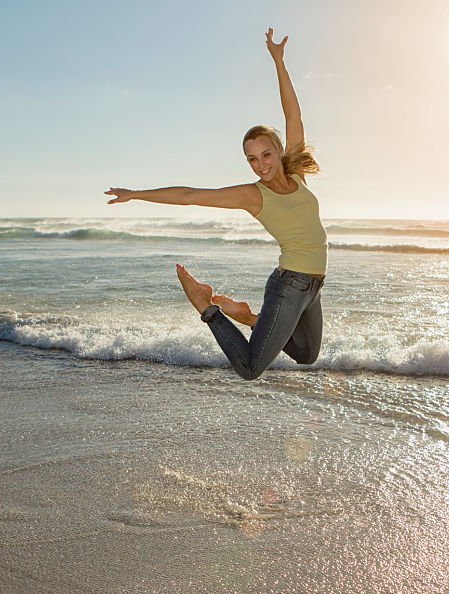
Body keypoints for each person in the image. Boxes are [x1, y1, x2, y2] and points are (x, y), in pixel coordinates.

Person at [105, 28, 327, 380]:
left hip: (313, 285)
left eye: (266, 154)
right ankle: (206, 306)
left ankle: (250, 317)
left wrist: (279, 62)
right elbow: (192, 196)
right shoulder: (253, 195)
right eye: (252, 159)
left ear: (279, 150)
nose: (261, 164)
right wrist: (137, 193)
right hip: (290, 284)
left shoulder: (297, 174)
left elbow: (293, 116)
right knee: (251, 368)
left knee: (307, 354)